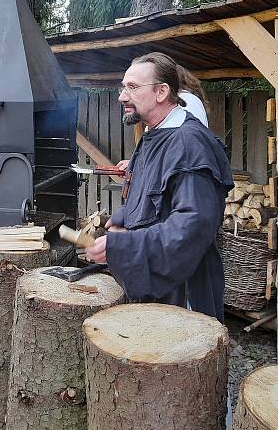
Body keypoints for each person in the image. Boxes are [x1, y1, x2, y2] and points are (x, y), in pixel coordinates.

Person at [85, 52, 234, 321]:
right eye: (123, 87)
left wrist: (123, 247)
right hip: (155, 285)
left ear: (162, 92)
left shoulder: (188, 144)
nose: (122, 96)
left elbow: (192, 226)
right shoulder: (154, 133)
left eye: (132, 87)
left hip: (182, 290)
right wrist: (121, 221)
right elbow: (147, 191)